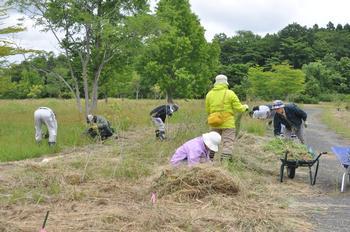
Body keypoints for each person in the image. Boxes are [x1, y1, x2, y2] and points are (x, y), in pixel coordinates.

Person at [205, 74, 249, 161]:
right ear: (226, 83)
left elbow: (208, 110)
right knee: (228, 143)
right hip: (228, 123)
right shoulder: (230, 93)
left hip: (214, 122)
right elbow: (239, 108)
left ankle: (208, 160)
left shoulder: (209, 94)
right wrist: (245, 107)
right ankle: (224, 163)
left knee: (212, 142)